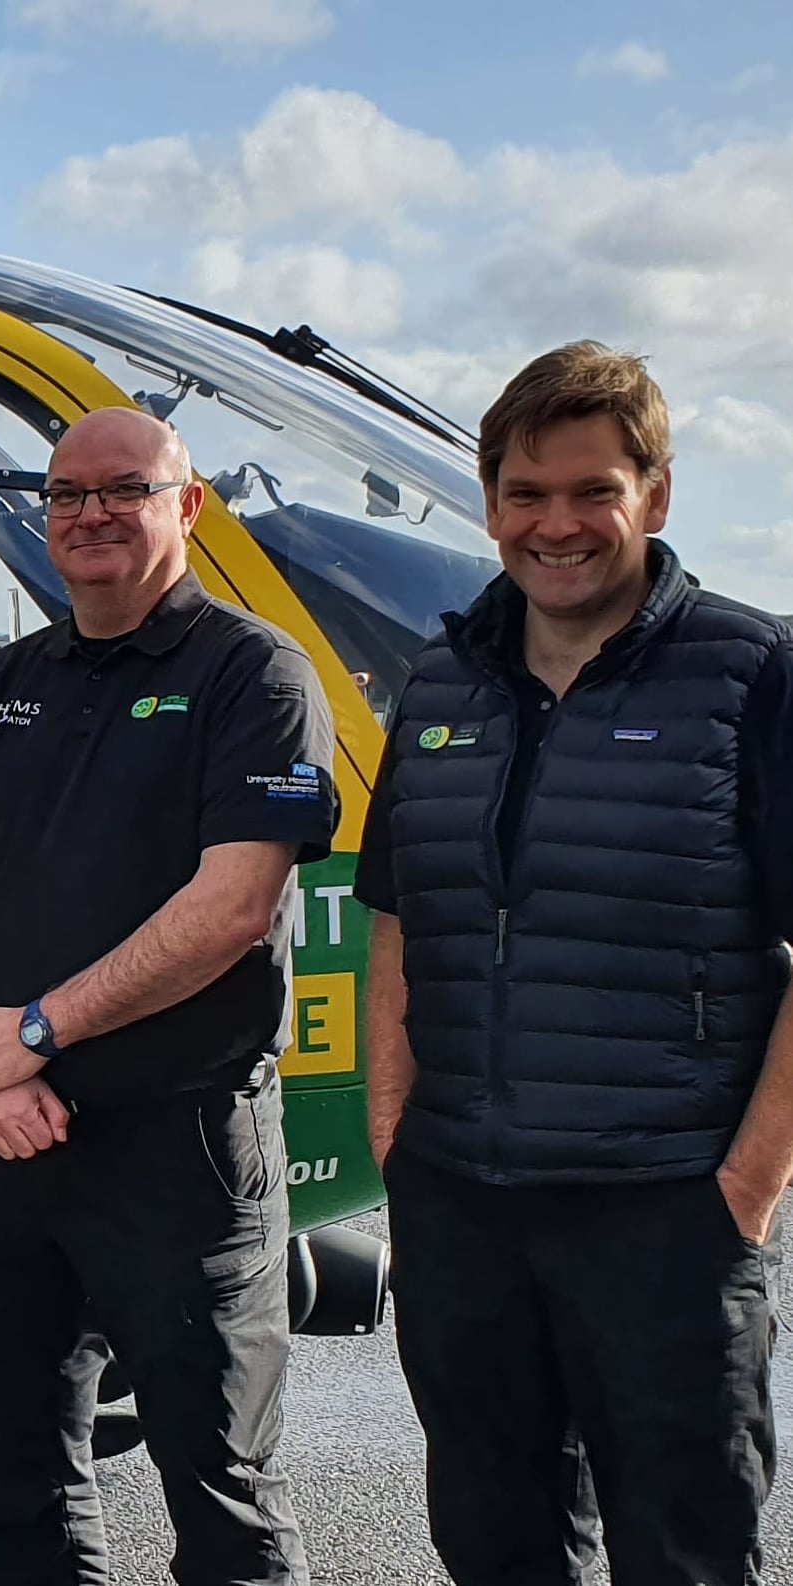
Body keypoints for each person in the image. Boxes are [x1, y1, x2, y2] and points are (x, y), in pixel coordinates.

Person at [355, 341, 793, 1585]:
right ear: (488, 499)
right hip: (462, 1204)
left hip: (661, 1204)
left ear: (651, 497)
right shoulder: (441, 677)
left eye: (590, 490)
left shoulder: (748, 674)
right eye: (524, 493)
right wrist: (398, 1134)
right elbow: (394, 914)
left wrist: (745, 1186)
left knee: (682, 1550)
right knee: (490, 1540)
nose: (555, 525)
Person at [0, 406, 338, 1586]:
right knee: (17, 1479)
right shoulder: (4, 679)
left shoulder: (253, 672)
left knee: (223, 1493)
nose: (90, 512)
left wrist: (36, 1031)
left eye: (123, 489)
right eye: (64, 493)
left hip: (180, 1146)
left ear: (185, 506)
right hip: (7, 1142)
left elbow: (233, 905)